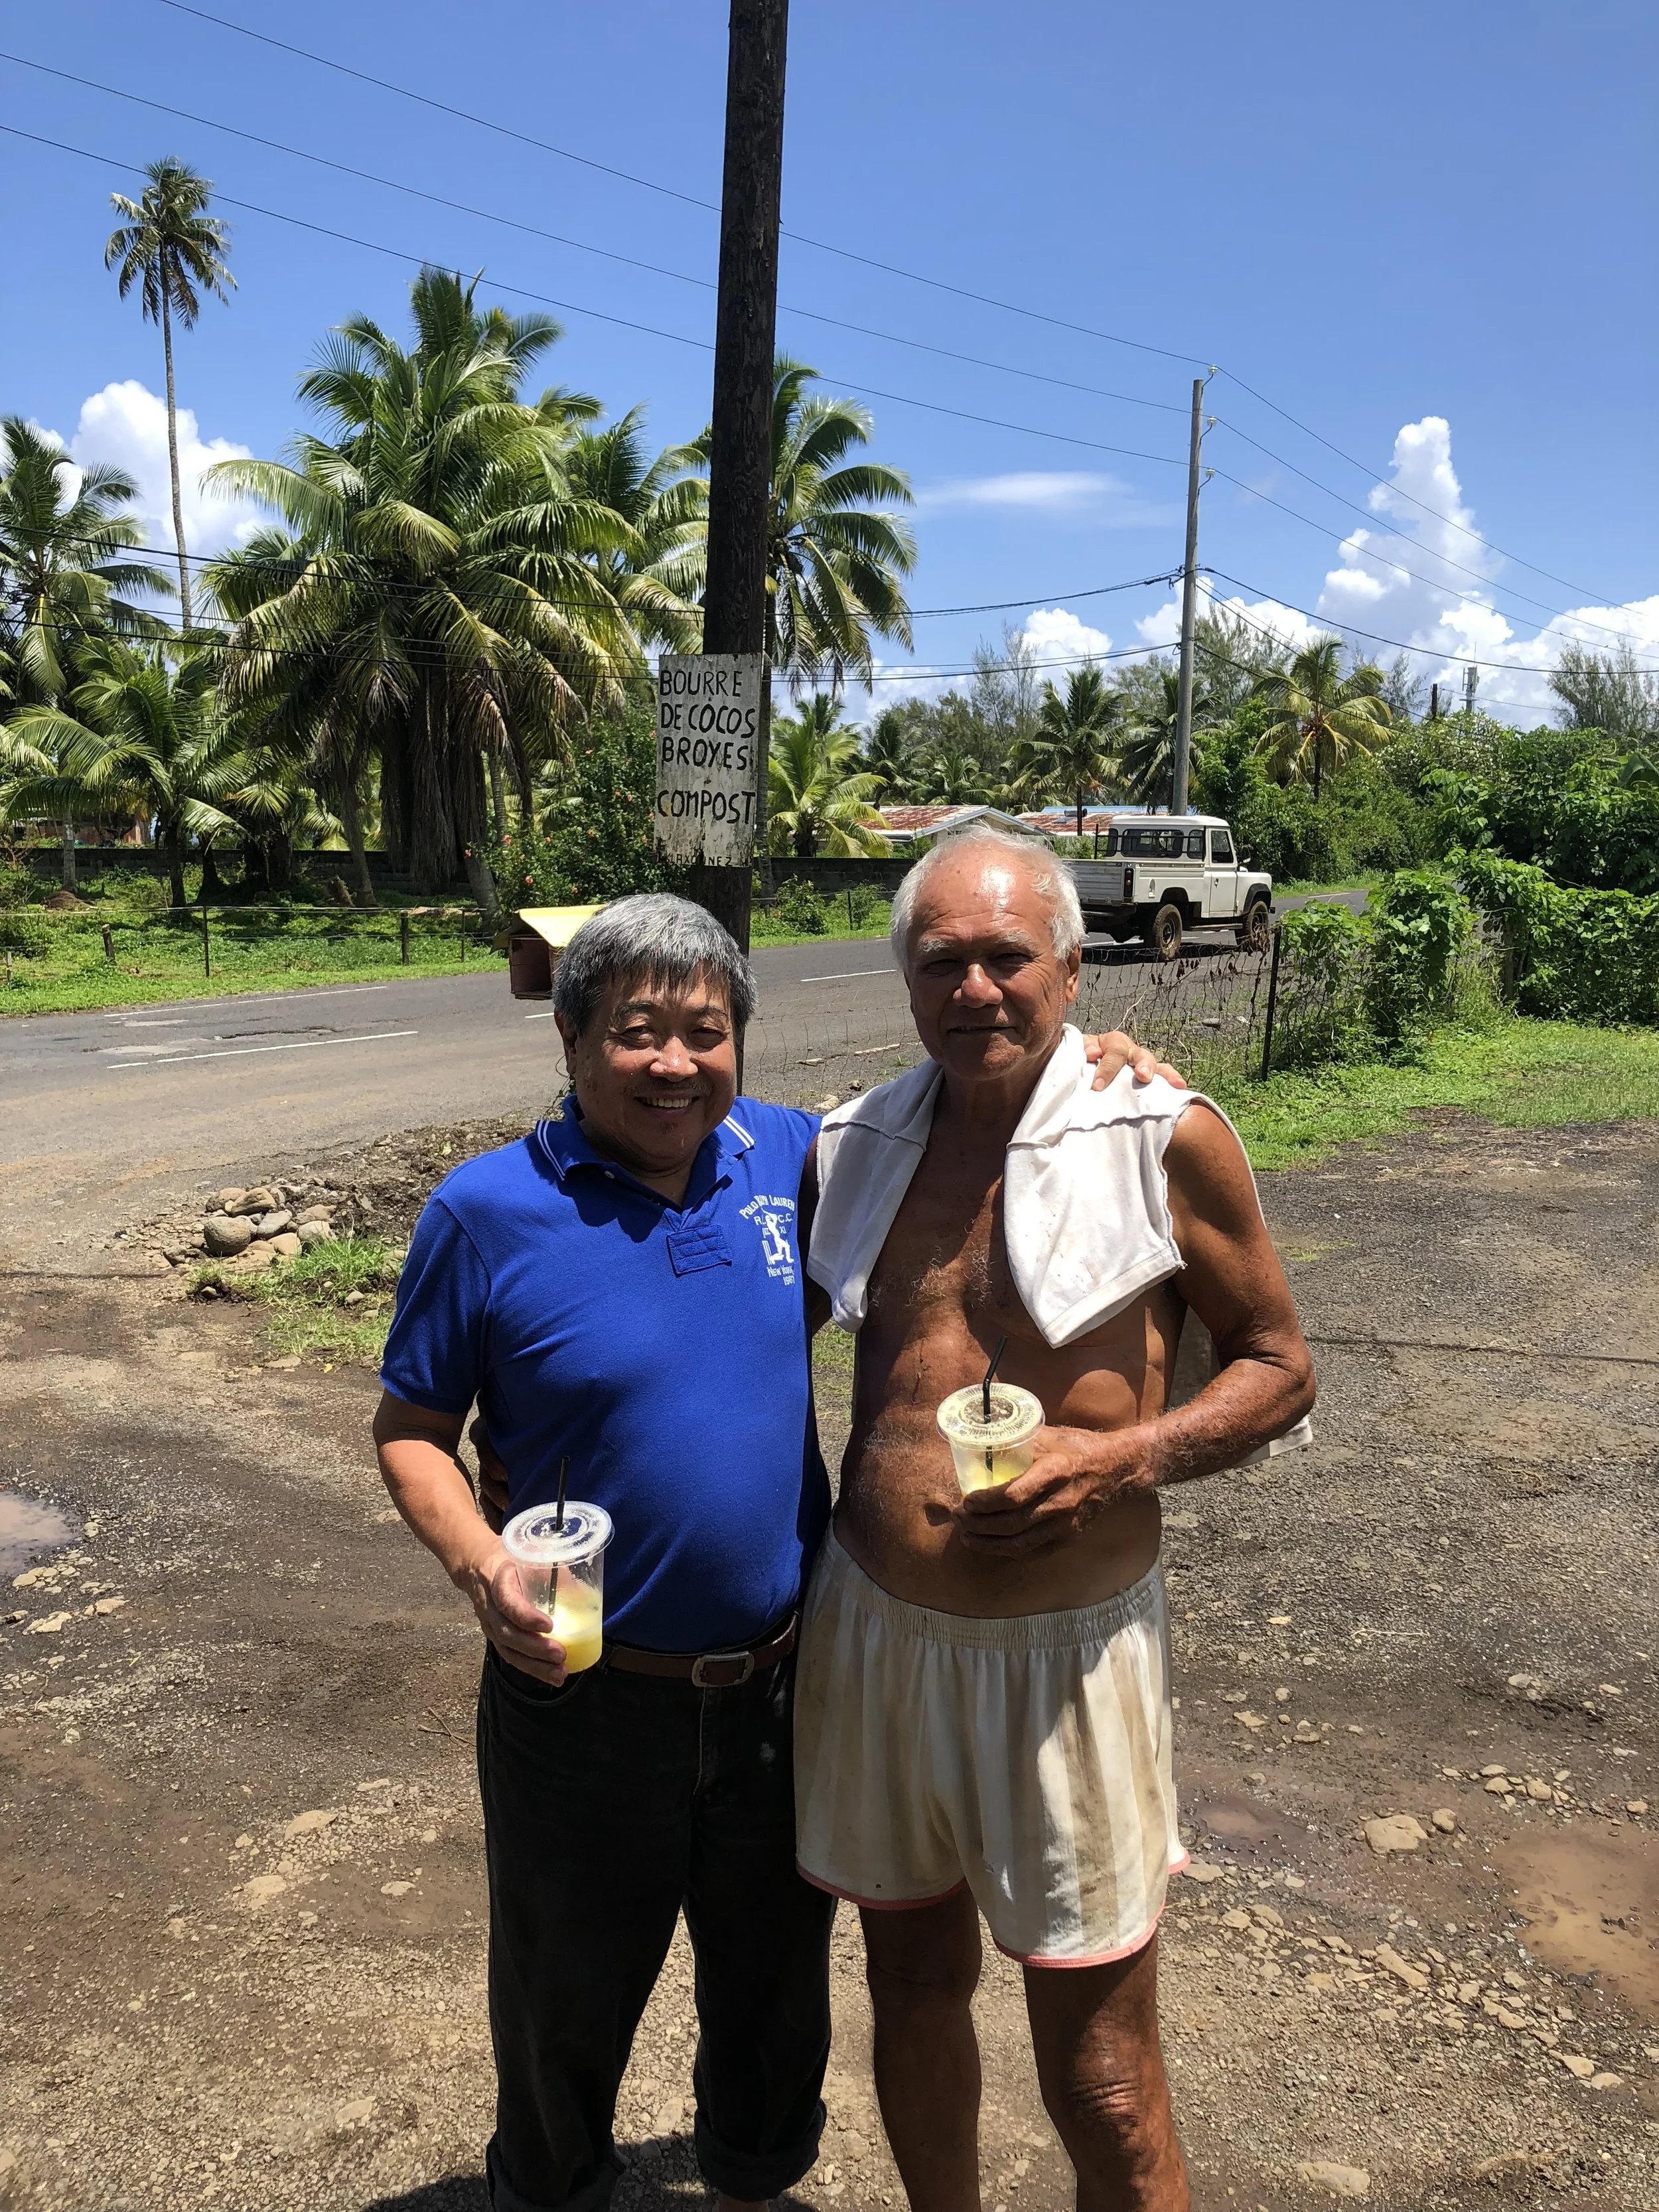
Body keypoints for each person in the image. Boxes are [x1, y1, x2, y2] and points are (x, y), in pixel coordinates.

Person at [373, 889, 1176, 2212]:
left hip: (777, 1696)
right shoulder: (486, 1212)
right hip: (579, 1701)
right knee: (561, 1995)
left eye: (705, 1030)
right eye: (638, 1032)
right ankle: (556, 2186)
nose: (675, 1063)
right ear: (572, 1041)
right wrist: (480, 1564)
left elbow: (966, 1101)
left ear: (740, 1044)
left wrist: (1100, 1067)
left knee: (770, 2002)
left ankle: (749, 2186)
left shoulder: (791, 1160)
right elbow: (410, 1426)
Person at [794, 828, 1316, 2212]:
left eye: (1004, 958)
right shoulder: (847, 1147)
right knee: (908, 1988)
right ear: (905, 981)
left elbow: (1277, 1365)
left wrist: (1118, 1458)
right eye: (939, 961)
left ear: (1071, 969)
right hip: (877, 1639)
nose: (973, 988)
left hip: (1063, 1658)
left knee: (1097, 2069)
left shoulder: (1159, 1132)